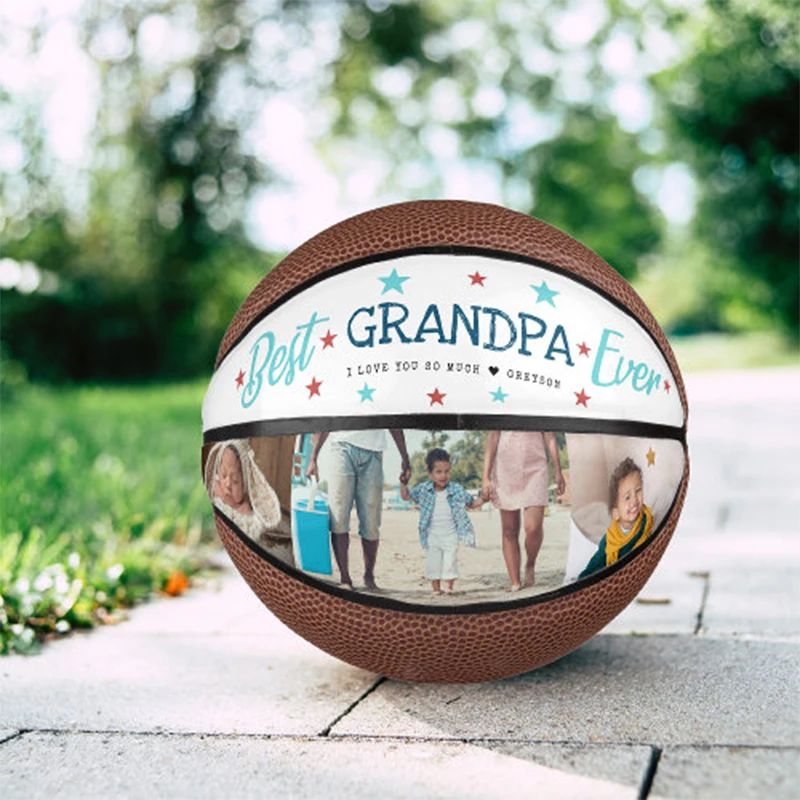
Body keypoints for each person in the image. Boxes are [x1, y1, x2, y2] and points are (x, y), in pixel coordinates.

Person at [306, 429, 411, 591]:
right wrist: (314, 457)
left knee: (371, 521)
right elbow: (327, 417)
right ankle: (345, 577)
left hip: (374, 451)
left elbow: (394, 422)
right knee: (338, 516)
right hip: (341, 446)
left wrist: (405, 458)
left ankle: (369, 575)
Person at [482, 430, 566, 591]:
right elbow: (493, 438)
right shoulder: (499, 404)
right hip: (504, 469)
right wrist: (485, 477)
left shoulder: (538, 404)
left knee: (533, 527)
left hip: (535, 468)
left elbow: (550, 436)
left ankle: (530, 563)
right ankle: (515, 582)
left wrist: (558, 470)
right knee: (509, 530)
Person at [400, 447, 479, 595]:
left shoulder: (456, 489)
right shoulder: (424, 489)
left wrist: (484, 499)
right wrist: (403, 483)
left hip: (451, 534)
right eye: (439, 472)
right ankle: (436, 589)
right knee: (433, 562)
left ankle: (449, 587)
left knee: (450, 561)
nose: (444, 476)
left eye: (447, 471)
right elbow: (406, 496)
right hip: (432, 535)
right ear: (430, 474)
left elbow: (471, 503)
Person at [579, 457, 653, 579]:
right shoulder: (610, 538)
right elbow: (595, 564)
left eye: (638, 491)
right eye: (627, 497)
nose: (634, 500)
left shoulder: (646, 522)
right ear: (616, 513)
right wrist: (583, 579)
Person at [204, 439, 281, 540]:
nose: (227, 484)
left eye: (235, 481)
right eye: (223, 475)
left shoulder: (246, 509)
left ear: (246, 486)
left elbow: (249, 532)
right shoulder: (216, 488)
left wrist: (237, 510)